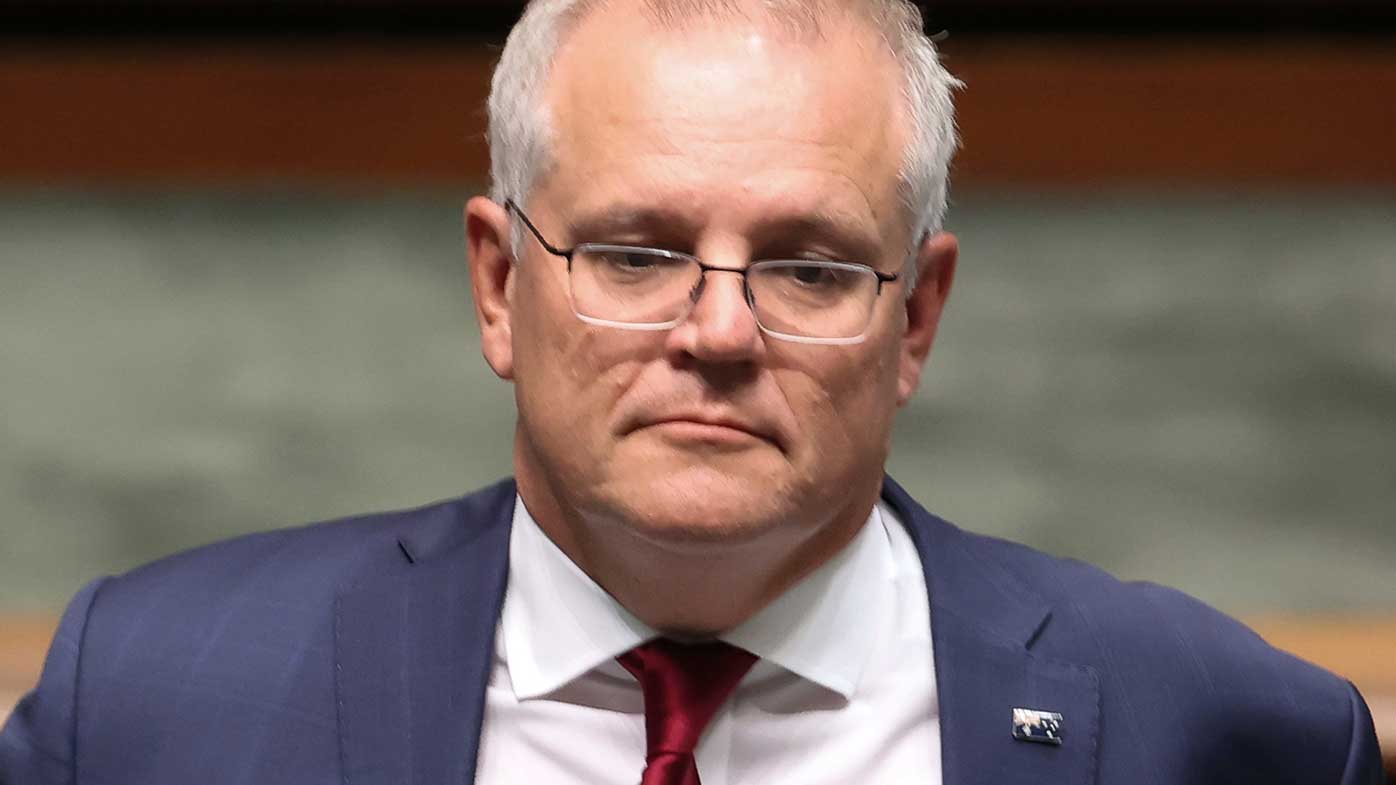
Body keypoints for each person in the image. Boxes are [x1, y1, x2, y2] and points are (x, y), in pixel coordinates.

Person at [1, 0, 1385, 782]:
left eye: (808, 268)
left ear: (919, 319)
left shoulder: (1220, 736)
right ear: (498, 285)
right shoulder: (150, 706)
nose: (718, 331)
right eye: (636, 251)